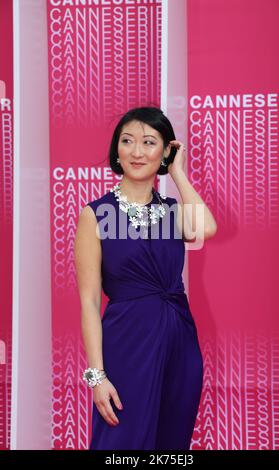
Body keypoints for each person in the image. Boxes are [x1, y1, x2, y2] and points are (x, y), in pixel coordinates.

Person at [74, 106, 217, 450]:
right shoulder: (97, 214)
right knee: (121, 444)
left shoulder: (171, 211)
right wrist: (97, 377)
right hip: (126, 346)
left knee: (170, 445)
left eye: (149, 142)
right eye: (127, 141)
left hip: (179, 344)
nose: (137, 152)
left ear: (165, 151)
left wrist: (177, 173)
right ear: (117, 150)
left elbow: (206, 228)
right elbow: (90, 301)